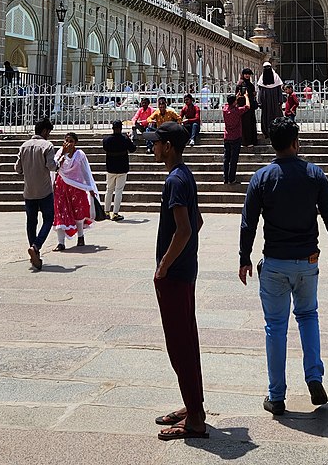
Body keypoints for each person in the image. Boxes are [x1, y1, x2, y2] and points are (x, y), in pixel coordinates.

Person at [239, 116, 328, 416]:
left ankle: (276, 396)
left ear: (271, 144)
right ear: (296, 142)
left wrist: (244, 258)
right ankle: (314, 376)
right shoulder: (314, 174)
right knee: (308, 317)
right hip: (307, 261)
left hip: (274, 262)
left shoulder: (262, 177)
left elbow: (248, 222)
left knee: (275, 328)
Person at [151, 121, 207, 440]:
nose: (152, 148)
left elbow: (186, 228)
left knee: (179, 344)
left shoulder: (174, 180)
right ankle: (193, 404)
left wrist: (165, 264)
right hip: (186, 271)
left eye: (156, 143)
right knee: (188, 340)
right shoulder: (185, 175)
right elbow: (197, 222)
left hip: (175, 275)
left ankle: (196, 419)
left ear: (168, 146)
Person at [16, 118, 60, 270]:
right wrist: (59, 162)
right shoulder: (47, 146)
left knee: (31, 222)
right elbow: (51, 166)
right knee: (48, 219)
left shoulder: (24, 146)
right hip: (45, 190)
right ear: (45, 131)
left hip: (29, 191)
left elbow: (18, 169)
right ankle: (36, 247)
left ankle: (33, 250)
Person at [53, 132, 99, 250]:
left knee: (78, 212)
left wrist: (90, 187)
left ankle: (80, 236)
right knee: (60, 212)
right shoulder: (60, 153)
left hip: (77, 187)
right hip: (61, 186)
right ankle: (61, 242)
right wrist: (62, 154)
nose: (68, 143)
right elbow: (54, 167)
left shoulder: (80, 155)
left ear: (75, 143)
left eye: (71, 141)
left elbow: (85, 172)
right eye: (66, 140)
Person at [101, 120, 137, 221]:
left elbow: (105, 148)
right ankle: (115, 213)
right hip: (122, 168)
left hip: (110, 168)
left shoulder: (106, 139)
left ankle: (106, 211)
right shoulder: (125, 139)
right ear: (121, 128)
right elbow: (133, 149)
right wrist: (130, 139)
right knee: (118, 191)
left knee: (109, 190)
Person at [221, 91, 251, 184]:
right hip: (236, 136)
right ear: (234, 102)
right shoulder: (237, 111)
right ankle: (232, 178)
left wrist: (235, 98)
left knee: (226, 158)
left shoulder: (225, 110)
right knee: (234, 159)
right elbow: (248, 107)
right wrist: (246, 96)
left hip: (227, 136)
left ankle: (225, 178)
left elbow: (228, 104)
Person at [257, 62, 284, 139]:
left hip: (275, 102)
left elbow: (279, 91)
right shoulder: (262, 80)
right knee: (266, 116)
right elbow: (260, 92)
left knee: (276, 116)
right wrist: (260, 102)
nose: (267, 69)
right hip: (266, 103)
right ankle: (266, 132)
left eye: (268, 67)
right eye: (265, 68)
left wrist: (280, 101)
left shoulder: (276, 78)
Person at [236, 68, 259, 149]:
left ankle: (252, 140)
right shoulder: (240, 83)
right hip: (243, 106)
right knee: (244, 124)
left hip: (250, 107)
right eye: (246, 74)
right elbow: (237, 95)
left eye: (248, 74)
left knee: (251, 123)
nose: (247, 75)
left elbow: (252, 94)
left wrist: (253, 94)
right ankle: (245, 141)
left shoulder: (250, 84)